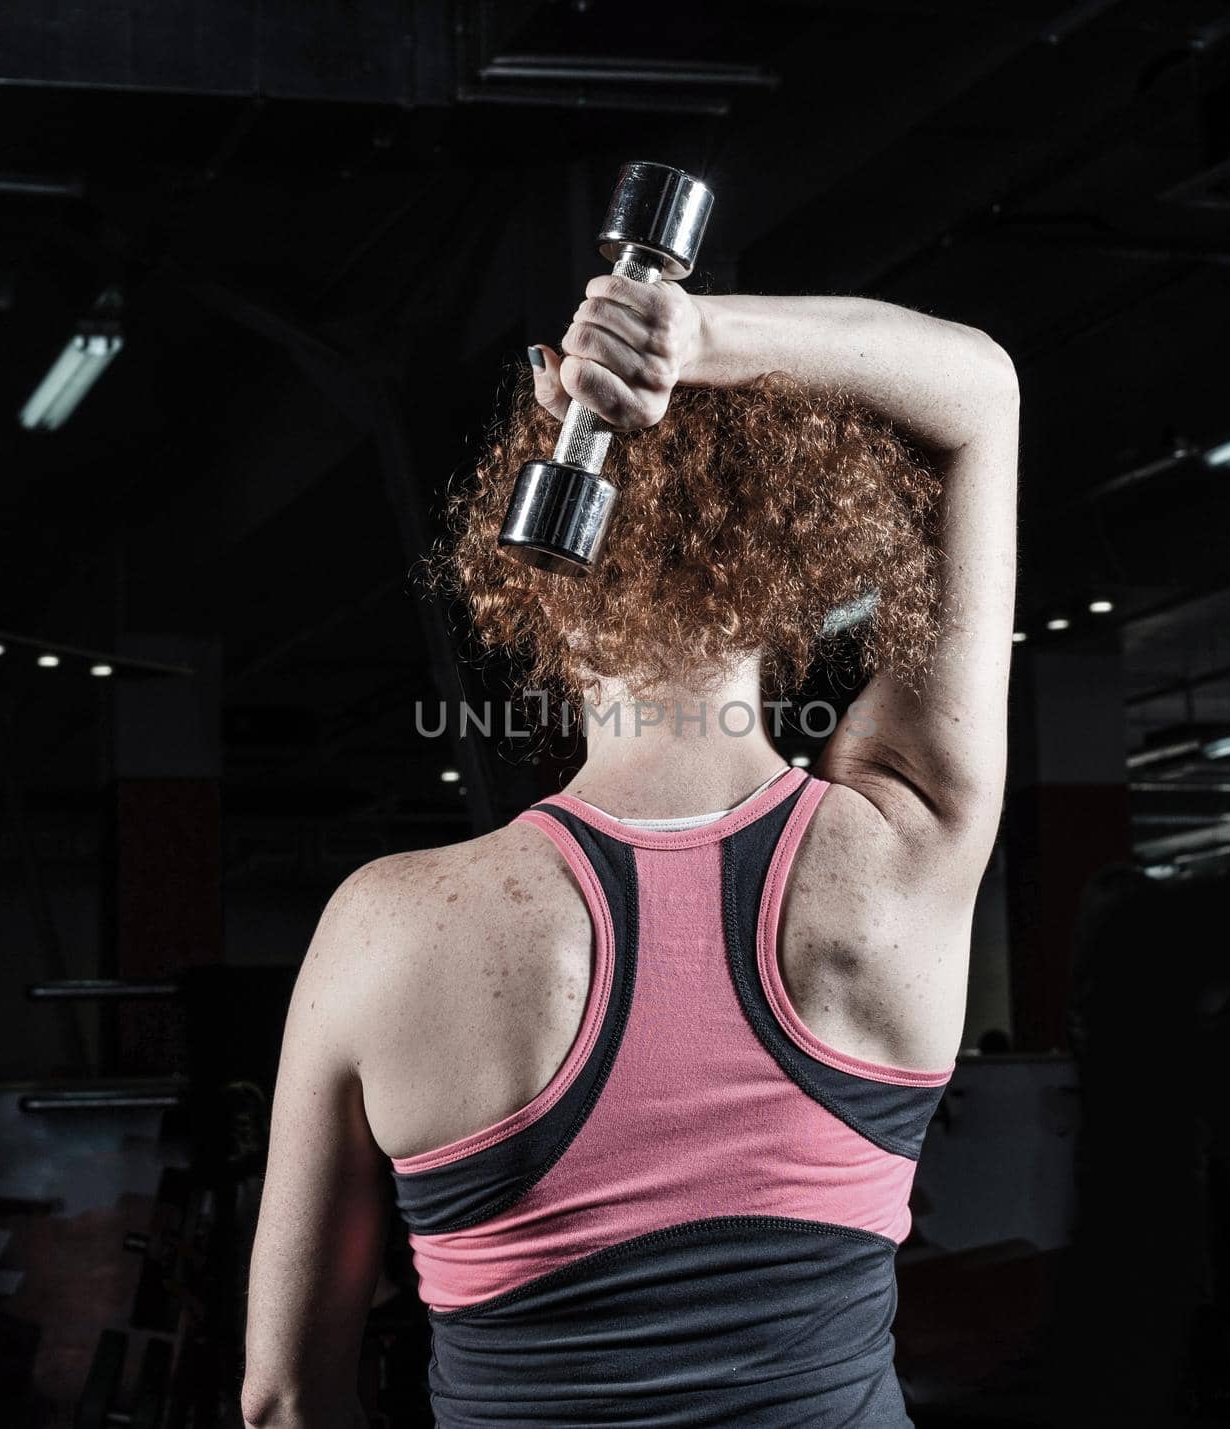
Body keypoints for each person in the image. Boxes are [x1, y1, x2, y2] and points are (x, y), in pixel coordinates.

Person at [243, 277, 1018, 1426]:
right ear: (787, 578)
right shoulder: (904, 849)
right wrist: (698, 340)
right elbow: (980, 395)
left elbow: (285, 1399)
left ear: (540, 585)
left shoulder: (385, 926)